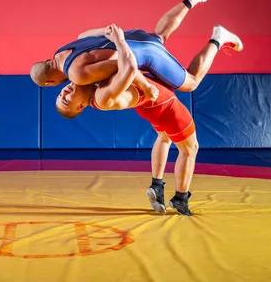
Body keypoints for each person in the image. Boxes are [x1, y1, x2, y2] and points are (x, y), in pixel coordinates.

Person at [55, 24, 244, 215]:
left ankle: (157, 185)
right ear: (80, 106)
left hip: (150, 106)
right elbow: (128, 69)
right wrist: (119, 42)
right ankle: (180, 198)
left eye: (59, 95)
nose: (63, 92)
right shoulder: (102, 97)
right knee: (190, 148)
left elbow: (84, 41)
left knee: (164, 137)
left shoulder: (90, 81)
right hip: (165, 104)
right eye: (65, 101)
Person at [30, 0, 243, 94]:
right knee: (158, 36)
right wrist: (106, 30)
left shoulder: (76, 74)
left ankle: (218, 38)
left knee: (191, 83)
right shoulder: (60, 52)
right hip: (130, 36)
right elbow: (82, 36)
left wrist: (145, 85)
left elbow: (125, 66)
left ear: (50, 82)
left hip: (144, 54)